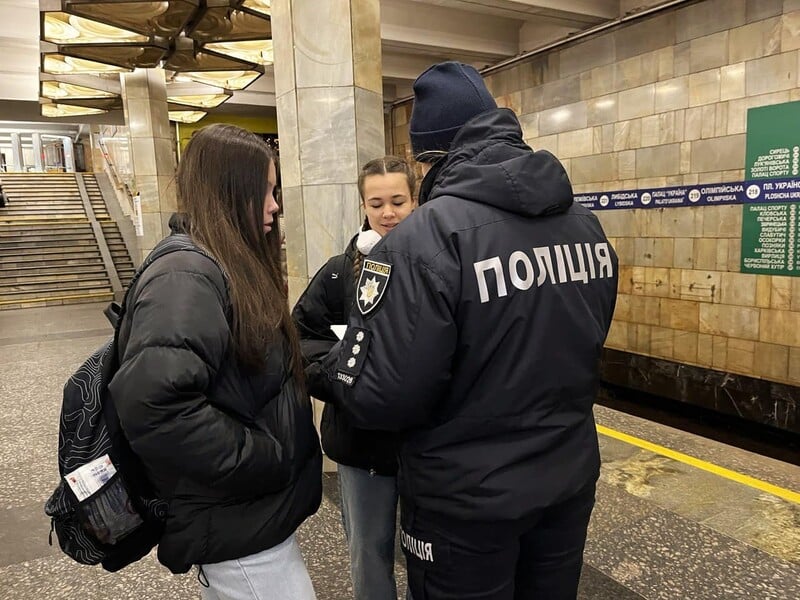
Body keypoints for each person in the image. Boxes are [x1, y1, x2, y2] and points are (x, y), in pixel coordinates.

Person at [311, 62, 619, 599]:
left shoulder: (425, 240)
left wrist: (328, 370)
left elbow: (388, 399)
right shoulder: (585, 225)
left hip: (464, 501)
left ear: (430, 157)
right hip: (567, 479)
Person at [108, 124, 322, 599]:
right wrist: (261, 457)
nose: (275, 206)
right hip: (238, 521)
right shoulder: (187, 272)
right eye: (265, 191)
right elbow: (153, 403)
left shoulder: (219, 262)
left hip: (245, 518)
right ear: (230, 192)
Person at [292, 156, 417, 600]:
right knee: (369, 553)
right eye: (376, 203)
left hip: (429, 444)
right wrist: (344, 374)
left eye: (398, 201)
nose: (388, 214)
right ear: (363, 205)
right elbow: (301, 339)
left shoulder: (441, 266)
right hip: (362, 443)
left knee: (434, 552)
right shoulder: (337, 273)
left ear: (416, 201)